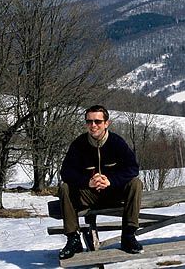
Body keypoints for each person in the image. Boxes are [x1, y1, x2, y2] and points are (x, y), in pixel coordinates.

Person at [58, 105, 144, 260]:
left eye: (97, 121)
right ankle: (73, 239)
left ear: (106, 123)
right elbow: (66, 172)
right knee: (65, 187)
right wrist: (87, 182)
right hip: (89, 195)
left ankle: (128, 236)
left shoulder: (116, 143)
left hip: (114, 193)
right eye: (89, 121)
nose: (93, 125)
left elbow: (133, 168)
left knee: (136, 183)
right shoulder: (79, 145)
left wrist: (111, 180)